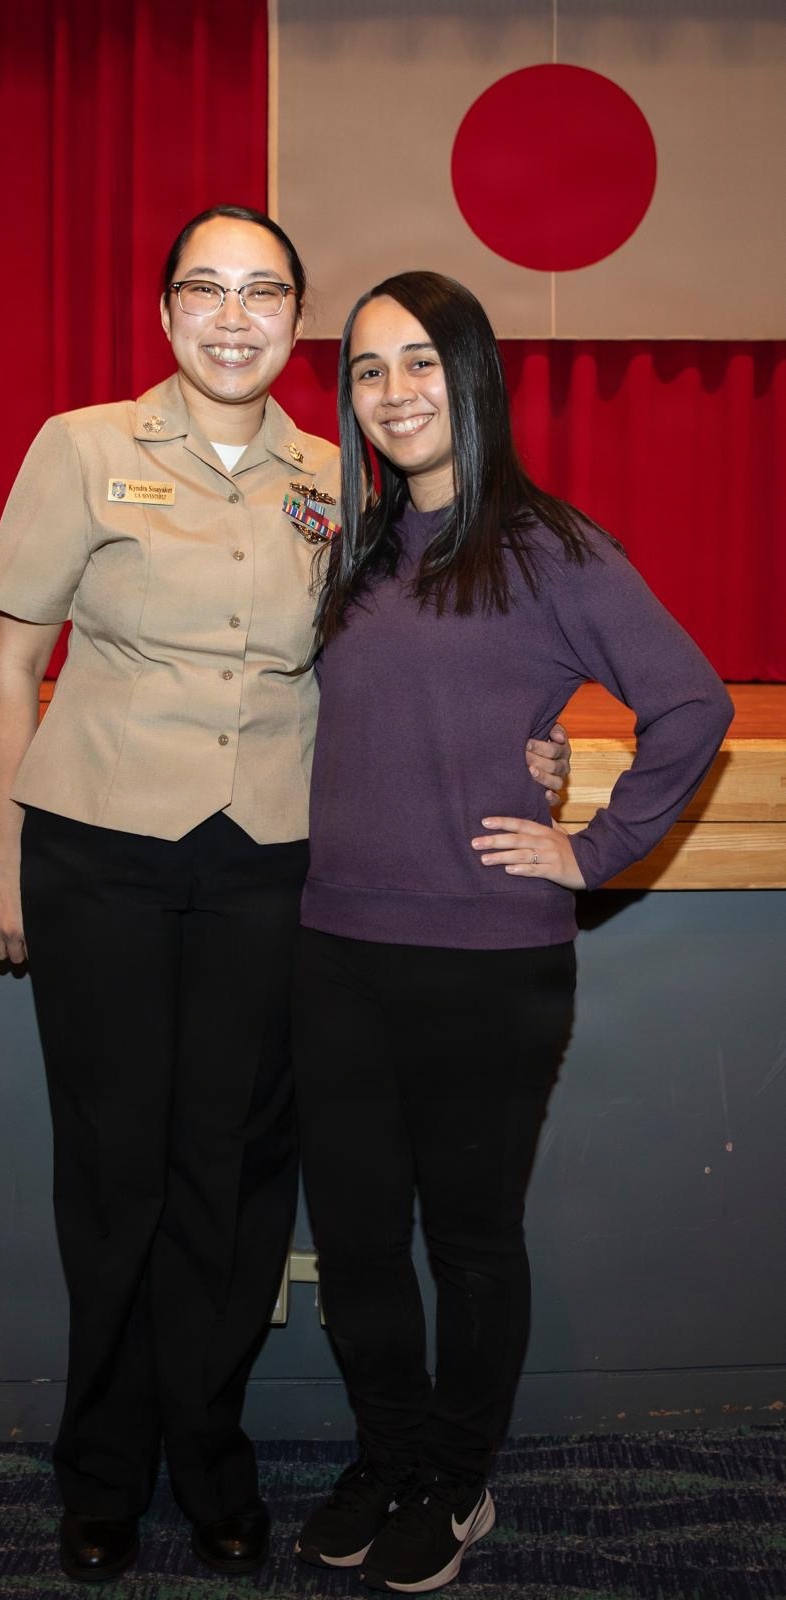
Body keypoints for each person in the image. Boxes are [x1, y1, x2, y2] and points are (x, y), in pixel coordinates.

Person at [0, 210, 569, 1585]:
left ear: (296, 318)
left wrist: (535, 744)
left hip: (269, 868)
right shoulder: (81, 447)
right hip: (99, 855)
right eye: (206, 289)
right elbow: (13, 666)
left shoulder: (340, 477)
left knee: (237, 1184)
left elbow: (419, 648)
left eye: (264, 294)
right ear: (166, 309)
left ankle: (213, 1462)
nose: (233, 316)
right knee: (116, 1176)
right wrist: (0, 854)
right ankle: (104, 1477)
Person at [292, 271, 733, 1593]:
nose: (393, 392)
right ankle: (386, 1453)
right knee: (359, 1243)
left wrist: (587, 847)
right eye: (368, 371)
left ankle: (455, 1480)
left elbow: (690, 705)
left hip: (487, 960)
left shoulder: (546, 544)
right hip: (334, 949)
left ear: (472, 373)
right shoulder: (362, 548)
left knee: (468, 1242)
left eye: (418, 362)